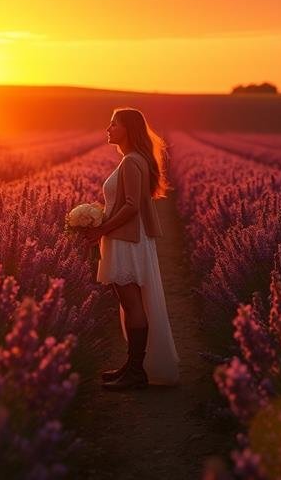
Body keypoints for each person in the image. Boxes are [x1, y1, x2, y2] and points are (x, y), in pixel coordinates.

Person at [83, 108, 180, 391]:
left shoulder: (131, 162)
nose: (108, 128)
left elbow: (131, 206)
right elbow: (124, 204)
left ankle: (136, 372)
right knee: (128, 303)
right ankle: (131, 366)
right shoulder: (132, 160)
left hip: (127, 241)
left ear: (129, 129)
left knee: (133, 303)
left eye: (114, 124)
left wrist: (101, 228)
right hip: (123, 238)